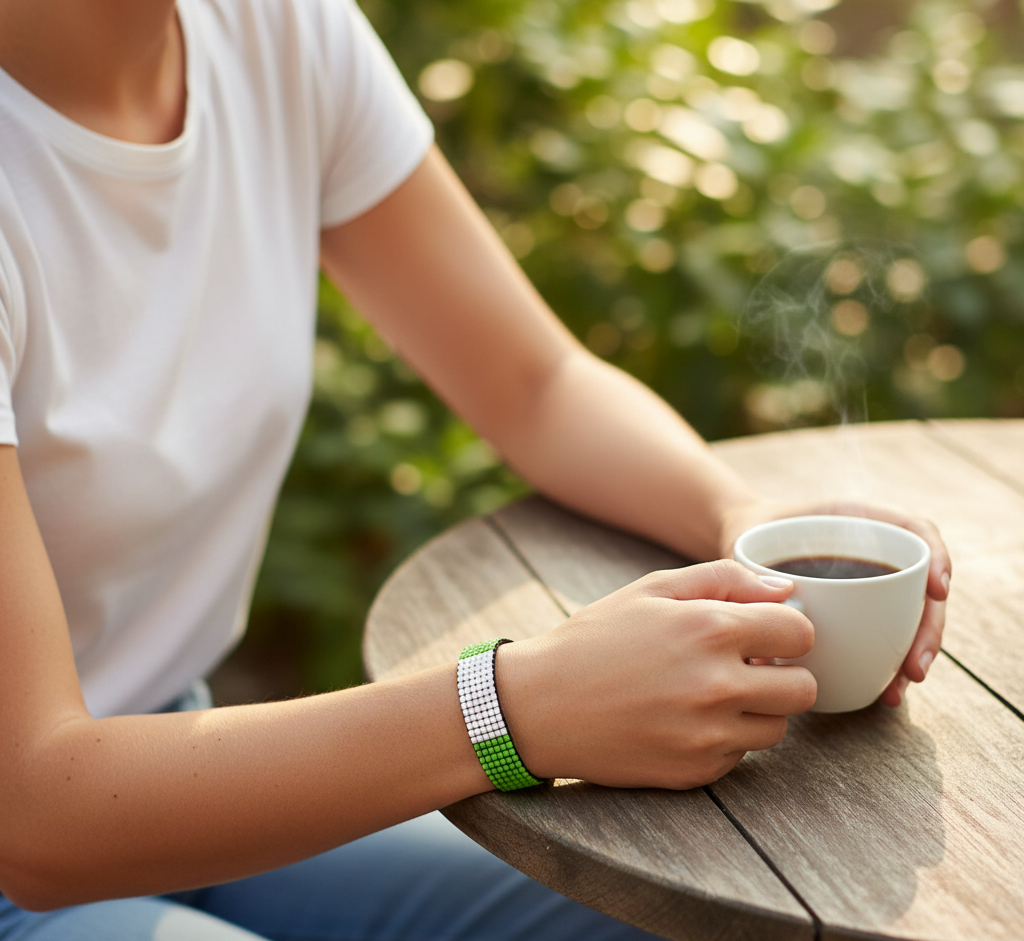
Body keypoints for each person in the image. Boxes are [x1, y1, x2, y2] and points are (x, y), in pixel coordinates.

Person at [0, 0, 950, 938]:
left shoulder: (277, 30)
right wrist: (515, 705)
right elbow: (37, 816)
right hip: (46, 846)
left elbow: (532, 382)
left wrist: (745, 517)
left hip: (179, 768)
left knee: (712, 919)